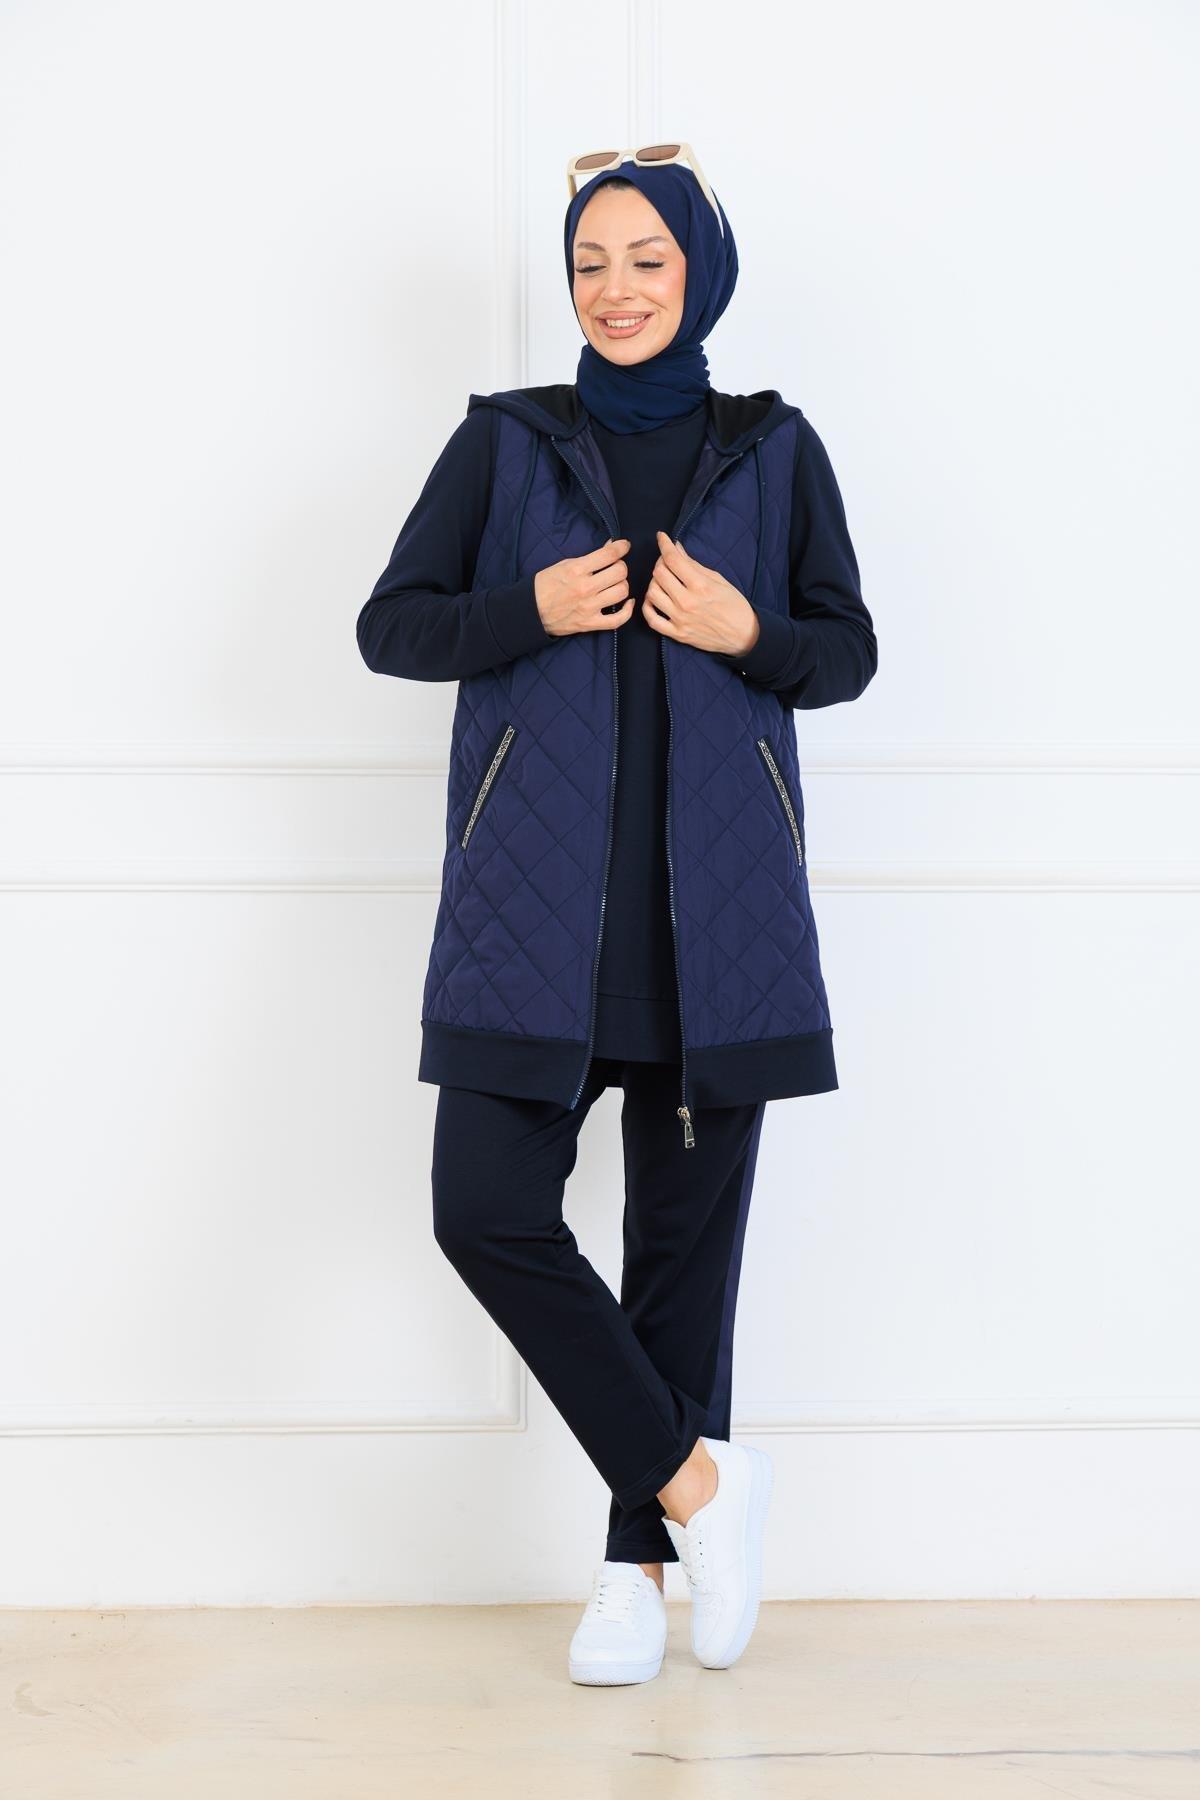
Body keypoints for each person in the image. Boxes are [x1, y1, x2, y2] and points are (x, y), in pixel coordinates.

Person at [356, 143, 877, 1686]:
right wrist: (526, 610)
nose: (615, 288)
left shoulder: (774, 449)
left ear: (700, 273)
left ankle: (633, 1578)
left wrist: (749, 629)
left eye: (647, 259)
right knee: (484, 1210)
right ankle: (701, 1486)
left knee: (679, 1273)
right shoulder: (508, 443)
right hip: (532, 928)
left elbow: (845, 653)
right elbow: (393, 626)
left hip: (716, 925)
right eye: (591, 262)